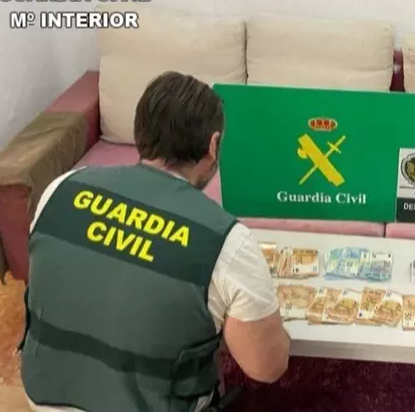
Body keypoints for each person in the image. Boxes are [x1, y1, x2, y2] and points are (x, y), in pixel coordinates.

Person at [20, 71, 290, 412]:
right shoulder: (225, 241)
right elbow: (266, 367)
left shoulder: (60, 188)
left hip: (43, 395)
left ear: (140, 132)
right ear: (213, 145)